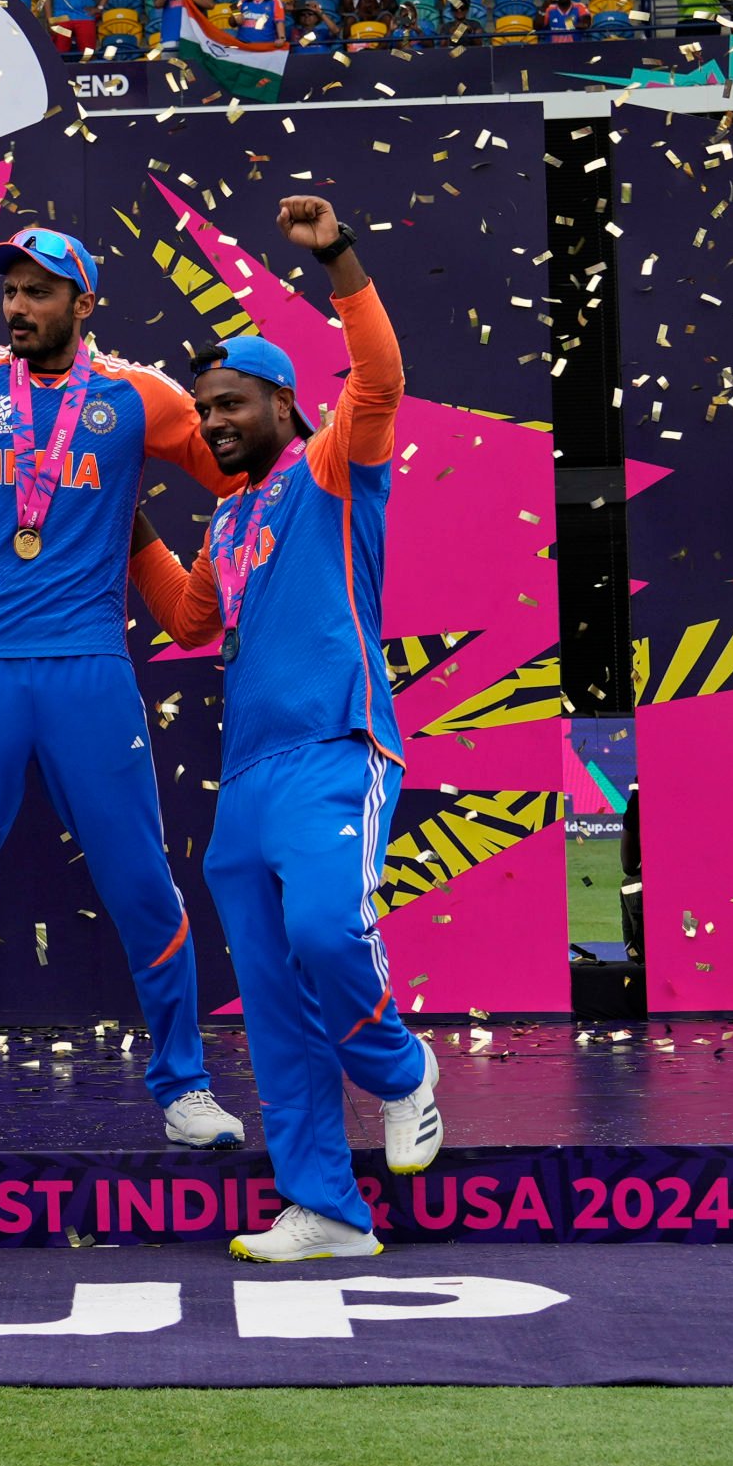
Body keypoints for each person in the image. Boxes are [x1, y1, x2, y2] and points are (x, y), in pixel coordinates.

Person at [121, 194, 449, 1262]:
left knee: (326, 934)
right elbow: (189, 617)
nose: (212, 424)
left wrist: (341, 256)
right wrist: (127, 533)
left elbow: (383, 378)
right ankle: (326, 1210)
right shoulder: (228, 516)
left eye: (229, 406)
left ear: (280, 400)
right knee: (271, 1007)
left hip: (334, 750)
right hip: (249, 779)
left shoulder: (330, 470)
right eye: (203, 411)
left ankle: (402, 1071)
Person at [0, 222, 247, 1152]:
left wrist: (211, 552)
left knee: (140, 881)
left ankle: (182, 1084)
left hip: (87, 666)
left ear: (82, 304)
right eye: (10, 290)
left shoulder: (139, 398)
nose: (17, 306)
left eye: (38, 291)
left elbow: (247, 467)